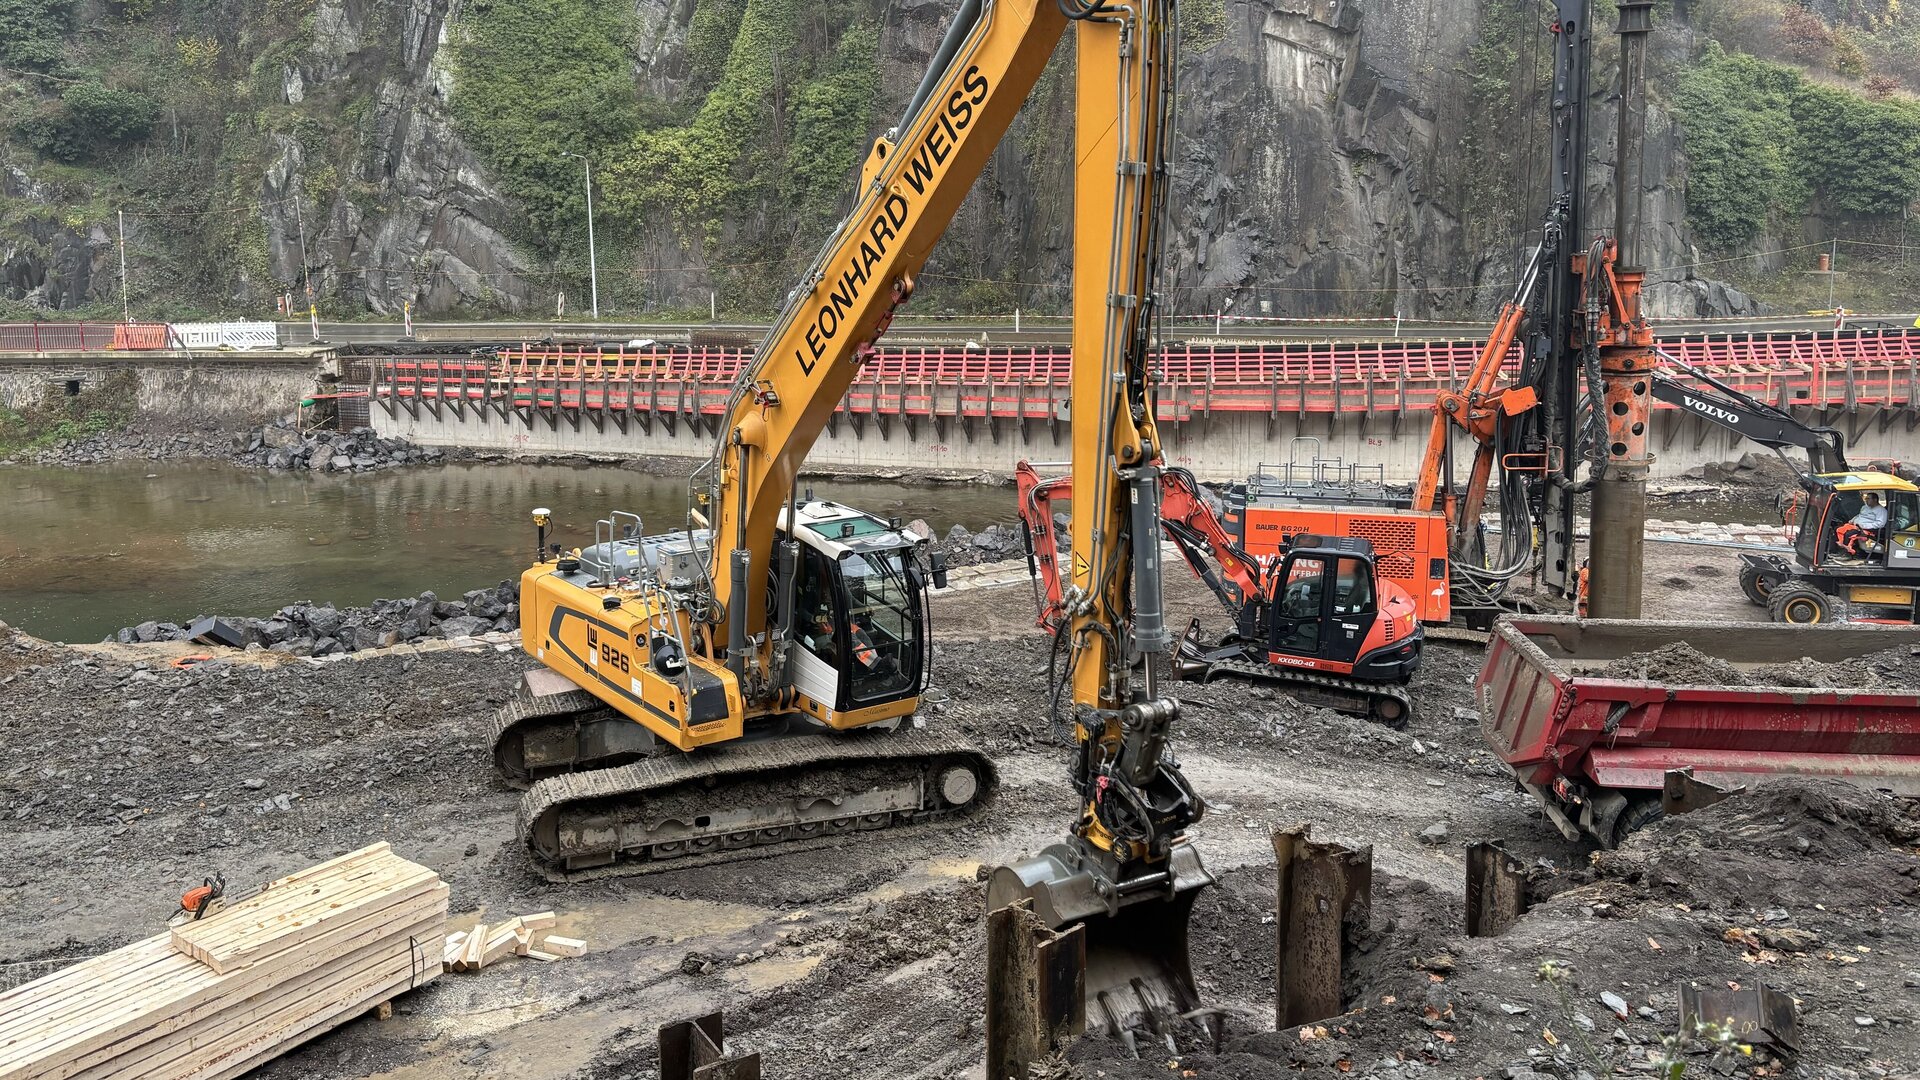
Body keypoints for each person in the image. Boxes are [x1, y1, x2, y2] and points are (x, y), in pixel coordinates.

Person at [1834, 492, 1887, 556]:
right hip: (1855, 526)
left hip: (1866, 530)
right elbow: (1859, 515)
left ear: (1875, 500)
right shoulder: (1865, 507)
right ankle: (1837, 549)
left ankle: (1847, 553)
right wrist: (1852, 520)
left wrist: (1864, 526)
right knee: (1837, 528)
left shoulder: (1881, 510)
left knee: (1849, 534)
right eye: (1866, 499)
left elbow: (1880, 524)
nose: (1866, 500)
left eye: (1868, 499)